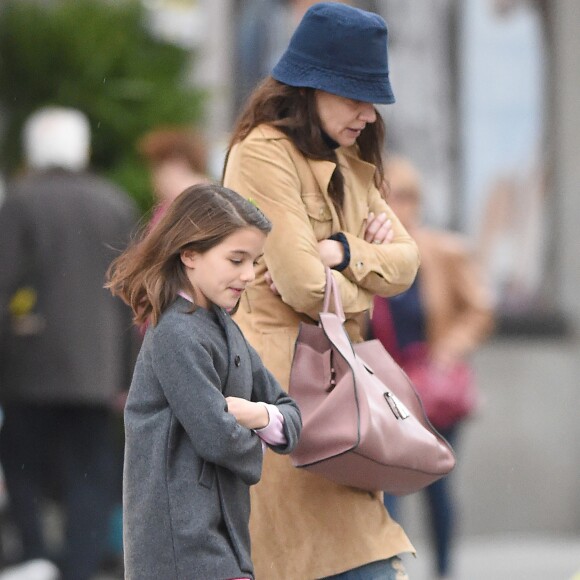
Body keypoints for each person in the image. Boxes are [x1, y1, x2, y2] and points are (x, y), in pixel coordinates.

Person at [223, 3, 421, 578]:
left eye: (373, 98)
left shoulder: (354, 159)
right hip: (286, 387)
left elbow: (407, 263)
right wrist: (357, 284)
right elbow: (306, 288)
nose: (367, 113)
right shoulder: (262, 152)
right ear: (311, 85)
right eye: (354, 96)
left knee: (368, 558)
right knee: (316, 561)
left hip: (348, 390)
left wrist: (344, 252)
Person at [105, 183, 302, 580]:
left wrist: (255, 415)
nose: (248, 275)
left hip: (223, 543)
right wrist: (259, 433)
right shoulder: (175, 333)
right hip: (179, 551)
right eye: (236, 259)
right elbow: (216, 437)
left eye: (254, 261)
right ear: (189, 254)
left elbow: (291, 417)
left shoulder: (226, 329)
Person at [0, 107, 139, 580]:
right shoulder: (114, 202)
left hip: (28, 365)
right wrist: (128, 371)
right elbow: (129, 296)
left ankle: (36, 555)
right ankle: (79, 566)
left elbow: (4, 282)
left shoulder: (19, 202)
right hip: (97, 369)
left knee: (22, 465)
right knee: (90, 471)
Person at [370, 155, 495, 580]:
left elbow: (479, 309)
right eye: (388, 197)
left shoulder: (443, 251)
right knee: (388, 487)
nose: (397, 206)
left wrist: (448, 351)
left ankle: (443, 570)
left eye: (405, 197)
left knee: (437, 488)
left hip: (433, 391)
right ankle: (393, 570)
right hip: (387, 389)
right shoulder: (370, 256)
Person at [137, 127, 210, 231]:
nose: (155, 177)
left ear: (178, 162)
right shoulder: (167, 207)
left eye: (159, 166)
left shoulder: (200, 204)